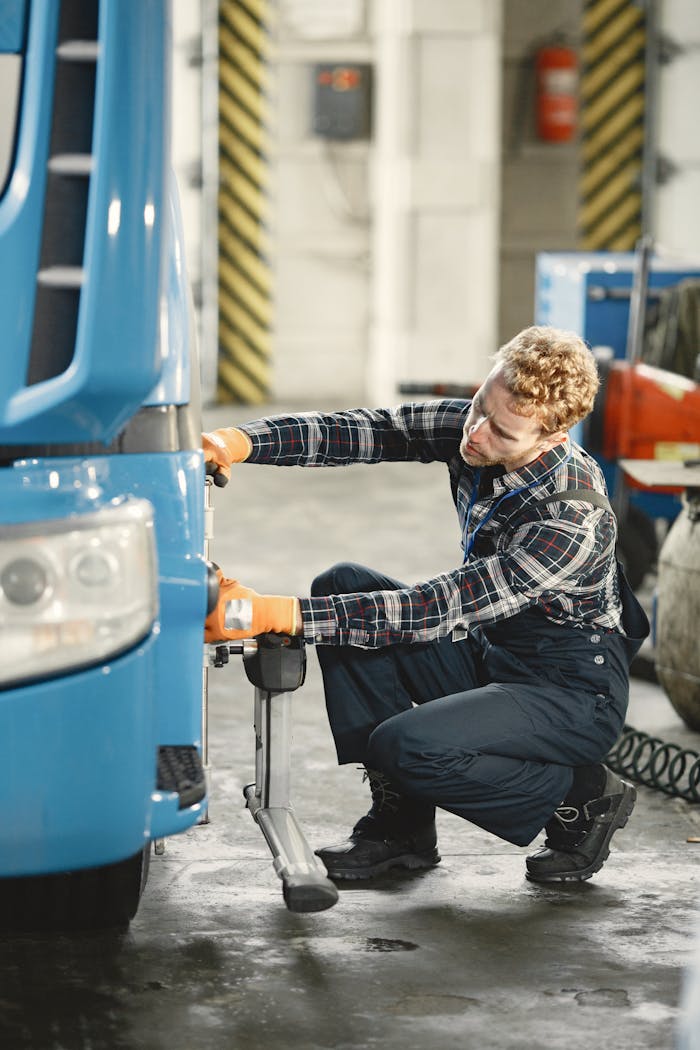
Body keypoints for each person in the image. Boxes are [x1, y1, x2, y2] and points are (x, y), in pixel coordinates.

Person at [203, 325, 649, 885]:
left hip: (571, 691)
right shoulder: (478, 425)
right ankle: (401, 831)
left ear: (553, 436)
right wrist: (239, 441)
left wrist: (270, 614)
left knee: (404, 745)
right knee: (344, 583)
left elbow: (435, 608)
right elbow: (362, 431)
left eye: (502, 433)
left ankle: (581, 793)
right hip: (494, 652)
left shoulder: (571, 518)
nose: (476, 434)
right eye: (481, 406)